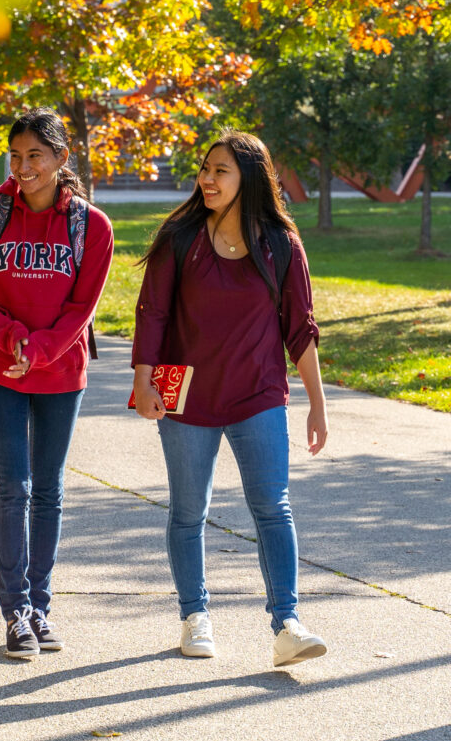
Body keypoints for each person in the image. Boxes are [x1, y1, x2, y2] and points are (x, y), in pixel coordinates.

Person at [131, 131, 330, 667]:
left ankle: (287, 623)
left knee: (273, 507)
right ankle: (195, 616)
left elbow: (300, 326)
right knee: (189, 511)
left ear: (249, 177)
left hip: (258, 396)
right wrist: (142, 381)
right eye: (205, 169)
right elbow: (152, 312)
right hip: (188, 401)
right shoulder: (181, 236)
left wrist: (316, 402)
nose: (208, 179)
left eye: (221, 170)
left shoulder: (280, 244)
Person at [0, 109, 113, 659]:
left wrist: (42, 350)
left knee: (48, 490)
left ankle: (41, 607)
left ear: (61, 159)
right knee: (13, 485)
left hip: (61, 372)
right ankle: (15, 610)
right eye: (16, 156)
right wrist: (13, 340)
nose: (23, 168)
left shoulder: (91, 226)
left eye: (35, 157)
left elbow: (83, 305)